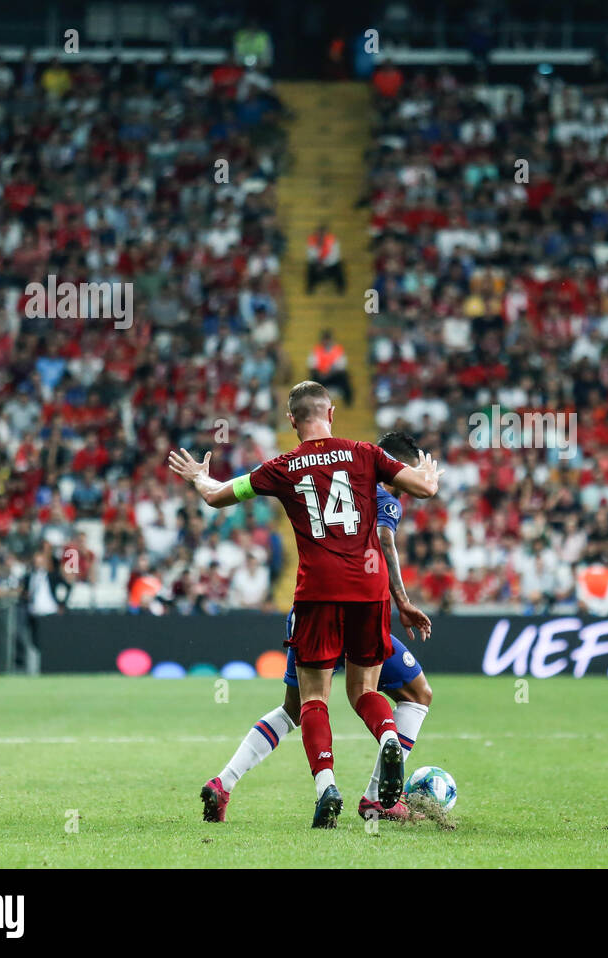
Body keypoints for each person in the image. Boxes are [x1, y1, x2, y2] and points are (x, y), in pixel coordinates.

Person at [168, 382, 441, 829]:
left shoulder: (283, 466)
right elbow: (422, 488)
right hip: (369, 589)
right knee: (366, 692)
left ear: (292, 420)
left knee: (312, 699)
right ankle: (388, 736)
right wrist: (428, 472)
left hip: (317, 591)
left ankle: (325, 786)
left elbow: (216, 496)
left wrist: (199, 476)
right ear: (331, 412)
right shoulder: (364, 452)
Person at [305, 223, 345, 294]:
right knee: (309, 267)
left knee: (339, 266)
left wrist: (324, 263)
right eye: (319, 234)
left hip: (330, 265)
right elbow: (310, 255)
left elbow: (335, 256)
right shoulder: (312, 241)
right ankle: (310, 288)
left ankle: (341, 288)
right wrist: (318, 263)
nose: (321, 236)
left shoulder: (333, 240)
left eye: (323, 234)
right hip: (317, 265)